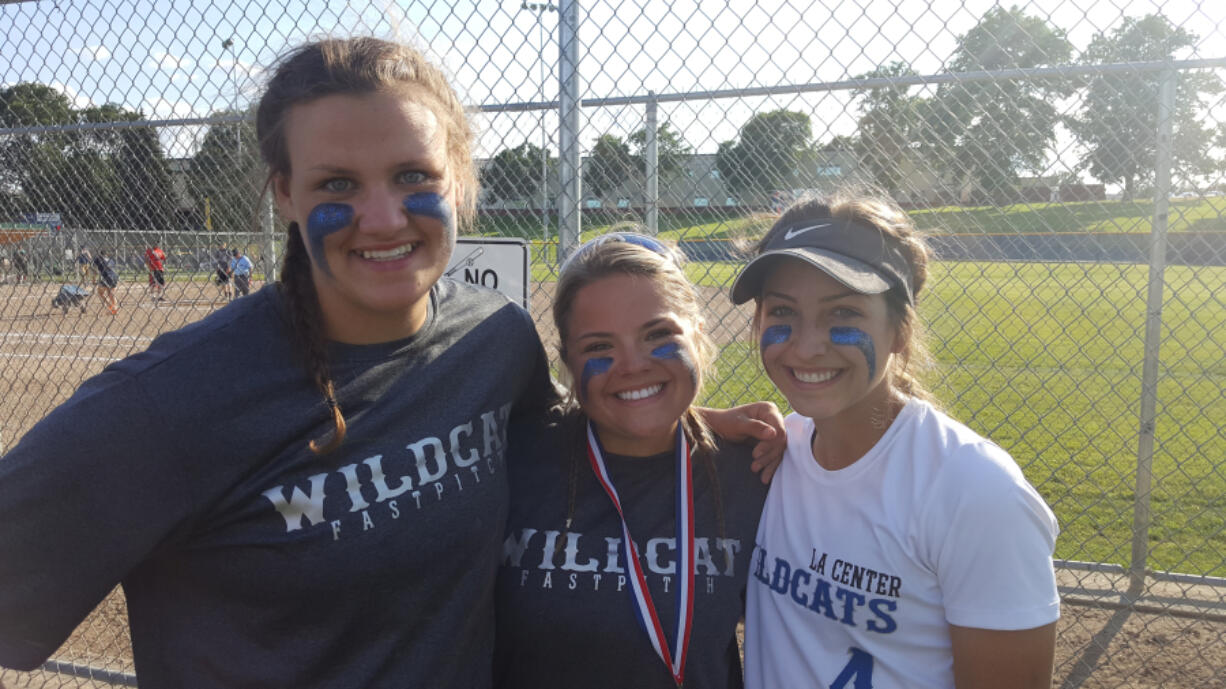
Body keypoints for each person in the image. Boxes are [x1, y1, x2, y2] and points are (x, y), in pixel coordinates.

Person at [0, 37, 779, 688]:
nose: (382, 217)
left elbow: (554, 428)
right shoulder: (170, 402)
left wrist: (675, 416)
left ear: (459, 180)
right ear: (285, 193)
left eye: (414, 176)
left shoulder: (493, 339)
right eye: (338, 183)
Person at [735, 193, 1060, 689]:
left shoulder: (974, 492)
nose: (805, 346)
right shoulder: (775, 451)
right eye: (782, 311)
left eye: (842, 313)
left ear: (900, 332)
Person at [495, 234, 770, 689]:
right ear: (566, 360)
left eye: (658, 335)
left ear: (698, 334)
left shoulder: (756, 471)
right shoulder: (513, 461)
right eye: (599, 348)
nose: (632, 365)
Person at [91, 248, 119, 315]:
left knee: (100, 293)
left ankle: (111, 307)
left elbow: (94, 270)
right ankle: (114, 308)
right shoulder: (111, 260)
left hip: (106, 277)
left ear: (100, 254)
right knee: (110, 293)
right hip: (114, 277)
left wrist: (93, 279)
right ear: (106, 254)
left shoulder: (98, 259)